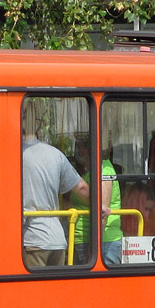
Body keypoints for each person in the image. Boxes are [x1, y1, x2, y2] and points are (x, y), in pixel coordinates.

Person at [22, 112, 95, 267]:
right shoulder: (55, 154)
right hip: (57, 240)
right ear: (38, 127)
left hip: (32, 240)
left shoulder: (15, 154)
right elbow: (81, 187)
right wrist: (99, 206)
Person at [69, 135, 123, 265]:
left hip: (102, 243)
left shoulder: (104, 169)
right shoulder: (90, 171)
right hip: (83, 239)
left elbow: (102, 213)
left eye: (79, 146)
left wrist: (94, 251)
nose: (78, 150)